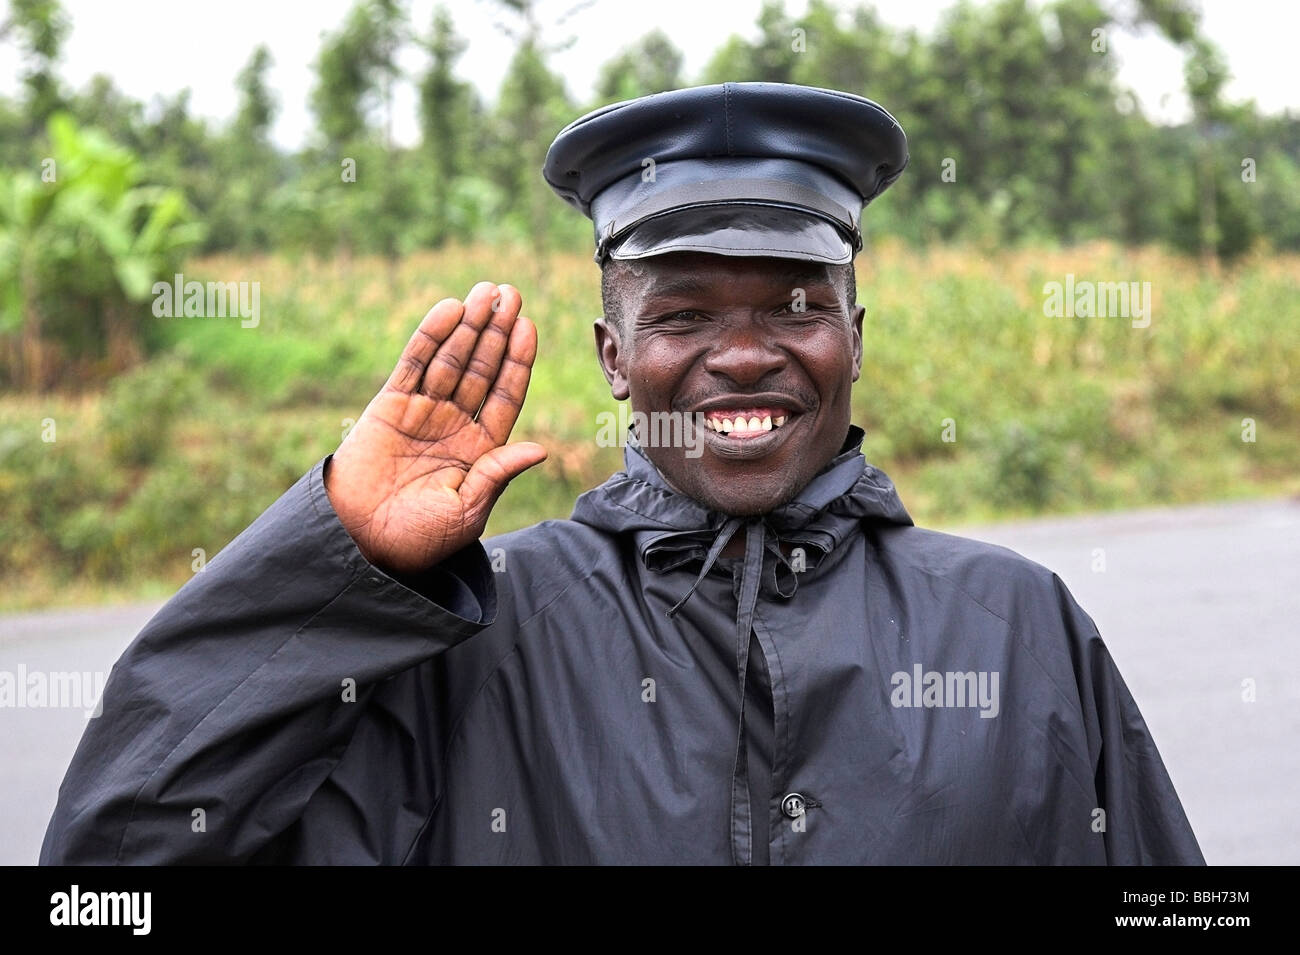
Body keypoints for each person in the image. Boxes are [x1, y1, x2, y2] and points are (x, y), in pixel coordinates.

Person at [41, 82, 1204, 865]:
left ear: (857, 336)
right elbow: (115, 867)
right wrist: (334, 558)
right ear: (613, 356)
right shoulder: (473, 645)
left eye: (796, 307)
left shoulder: (1012, 624)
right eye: (684, 311)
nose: (743, 353)